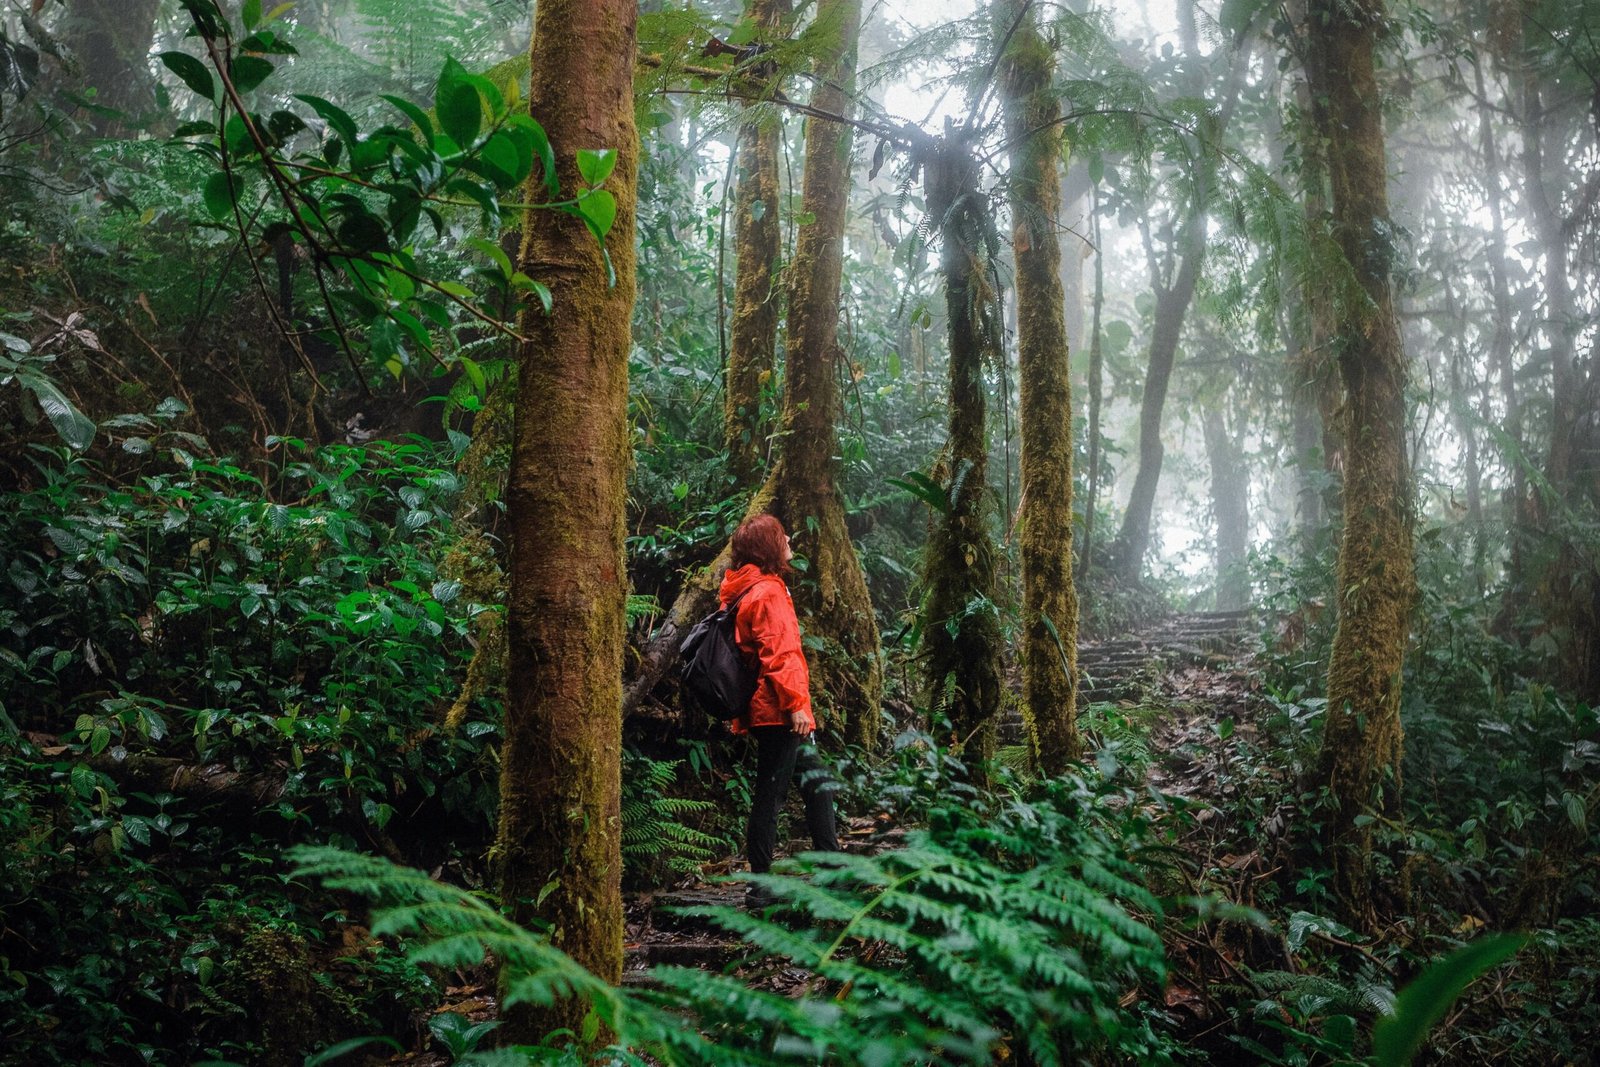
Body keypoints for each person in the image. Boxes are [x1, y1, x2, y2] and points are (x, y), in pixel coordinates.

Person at [718, 513, 840, 904]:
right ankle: (761, 886)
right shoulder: (768, 591)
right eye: (780, 534)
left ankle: (832, 869)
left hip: (768, 707)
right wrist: (796, 706)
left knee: (817, 784)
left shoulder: (743, 588)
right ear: (768, 546)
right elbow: (780, 654)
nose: (788, 538)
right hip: (778, 710)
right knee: (770, 794)